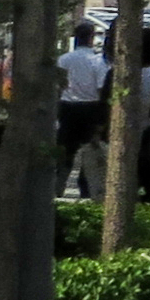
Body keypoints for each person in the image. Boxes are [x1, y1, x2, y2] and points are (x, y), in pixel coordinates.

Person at [56, 23, 111, 199]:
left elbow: (58, 85)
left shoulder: (63, 59)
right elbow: (102, 88)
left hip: (67, 108)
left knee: (66, 150)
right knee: (92, 149)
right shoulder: (96, 61)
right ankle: (88, 189)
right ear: (91, 37)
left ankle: (58, 186)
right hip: (90, 108)